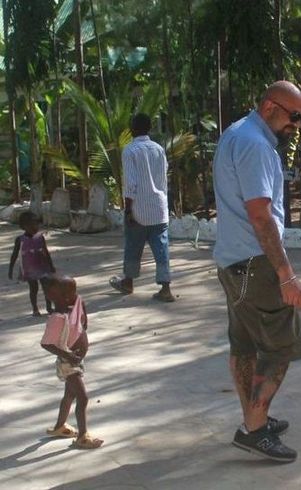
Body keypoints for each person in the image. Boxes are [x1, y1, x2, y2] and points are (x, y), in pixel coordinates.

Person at [213, 81, 301, 463]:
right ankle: (254, 427)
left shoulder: (237, 133)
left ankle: (255, 418)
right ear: (270, 106)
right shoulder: (255, 145)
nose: (296, 125)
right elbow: (260, 214)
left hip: (232, 262)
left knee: (244, 344)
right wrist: (285, 273)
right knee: (281, 347)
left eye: (300, 118)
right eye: (293, 116)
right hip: (257, 265)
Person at [109, 113, 174, 302]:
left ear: (132, 129)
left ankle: (128, 282)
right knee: (161, 249)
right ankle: (165, 288)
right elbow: (163, 174)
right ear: (149, 128)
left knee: (133, 246)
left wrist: (128, 209)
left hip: (139, 208)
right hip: (159, 208)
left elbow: (131, 183)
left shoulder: (130, 151)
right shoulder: (159, 149)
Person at [41, 274, 103, 449]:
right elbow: (46, 344)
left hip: (75, 361)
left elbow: (80, 301)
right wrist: (68, 356)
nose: (73, 295)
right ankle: (82, 437)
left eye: (74, 291)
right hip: (68, 363)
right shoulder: (57, 319)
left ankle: (59, 427)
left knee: (69, 395)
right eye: (68, 293)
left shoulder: (72, 303)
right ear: (52, 296)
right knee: (82, 398)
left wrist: (85, 319)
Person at [8, 211, 55, 316]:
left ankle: (49, 307)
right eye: (32, 225)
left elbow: (46, 252)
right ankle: (35, 309)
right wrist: (11, 269)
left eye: (37, 224)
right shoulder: (20, 240)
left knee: (47, 286)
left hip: (42, 266)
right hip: (29, 268)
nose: (36, 227)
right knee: (33, 288)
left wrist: (51, 266)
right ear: (24, 226)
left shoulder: (40, 237)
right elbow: (14, 255)